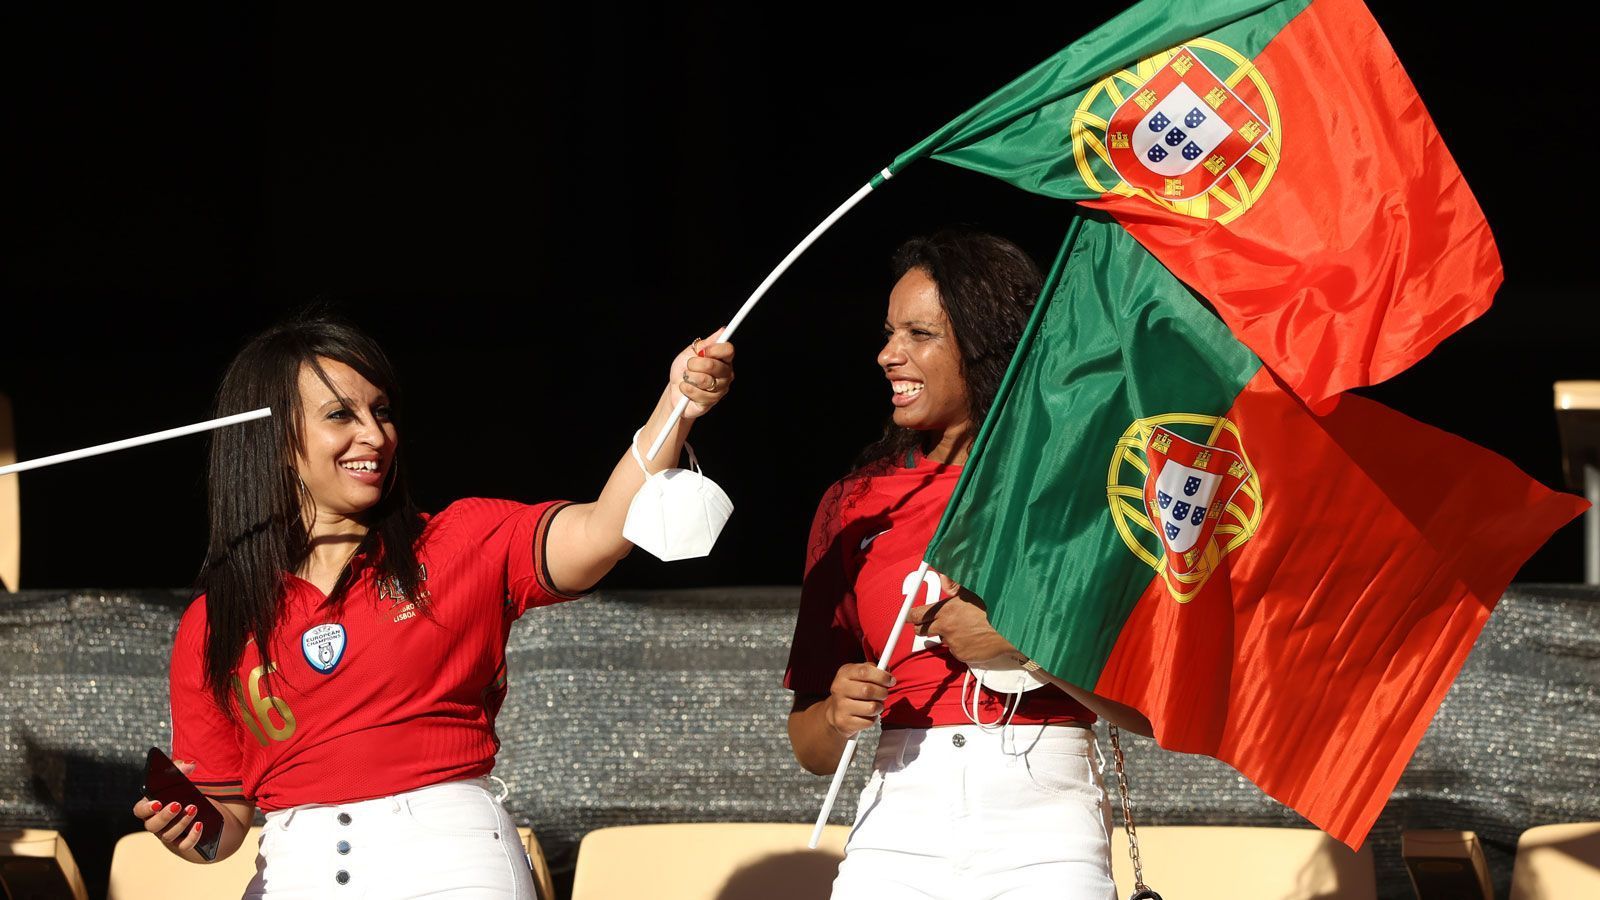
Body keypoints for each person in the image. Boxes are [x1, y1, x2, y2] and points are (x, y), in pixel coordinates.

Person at [132, 314, 734, 898]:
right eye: (341, 414)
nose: (374, 434)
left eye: (382, 411)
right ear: (271, 438)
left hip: (453, 866)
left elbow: (605, 530)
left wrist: (676, 404)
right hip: (291, 873)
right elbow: (227, 822)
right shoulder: (213, 622)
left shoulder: (459, 540)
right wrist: (191, 831)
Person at [785, 229, 1153, 899]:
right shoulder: (853, 504)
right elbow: (810, 748)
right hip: (897, 817)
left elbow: (1151, 711)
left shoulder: (1075, 490)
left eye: (919, 334)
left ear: (990, 342)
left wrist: (1026, 651)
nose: (887, 355)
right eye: (889, 332)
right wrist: (837, 715)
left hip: (1047, 821)